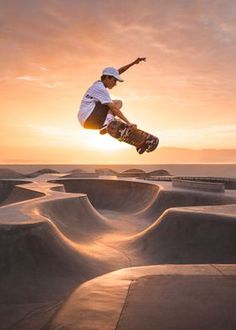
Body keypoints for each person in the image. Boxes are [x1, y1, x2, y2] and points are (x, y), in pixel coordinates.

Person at [77, 57, 146, 135]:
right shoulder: (101, 89)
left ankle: (107, 123)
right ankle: (108, 122)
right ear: (107, 78)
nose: (115, 84)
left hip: (87, 121)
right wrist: (128, 122)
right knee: (117, 104)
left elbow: (118, 72)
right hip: (89, 118)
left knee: (117, 115)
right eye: (115, 81)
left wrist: (133, 63)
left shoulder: (98, 84)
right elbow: (114, 108)